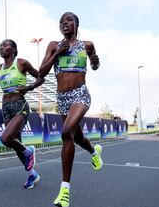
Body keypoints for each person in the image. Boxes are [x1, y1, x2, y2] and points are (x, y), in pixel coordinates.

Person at [37, 12, 103, 207]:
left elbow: (95, 63)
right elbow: (41, 72)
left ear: (76, 24)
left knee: (66, 133)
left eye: (68, 20)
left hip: (80, 94)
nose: (64, 23)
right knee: (77, 138)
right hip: (62, 98)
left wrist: (95, 62)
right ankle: (94, 153)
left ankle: (64, 191)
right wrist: (58, 52)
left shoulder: (87, 45)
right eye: (61, 21)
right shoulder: (53, 45)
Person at [0, 39, 45, 189]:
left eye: (5, 45)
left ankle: (29, 150)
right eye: (0, 46)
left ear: (13, 50)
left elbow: (41, 77)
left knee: (6, 138)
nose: (1, 48)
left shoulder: (21, 63)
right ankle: (32, 174)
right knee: (15, 143)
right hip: (6, 106)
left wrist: (29, 87)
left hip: (20, 105)